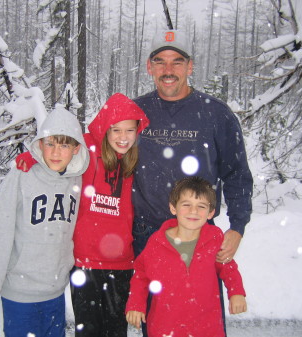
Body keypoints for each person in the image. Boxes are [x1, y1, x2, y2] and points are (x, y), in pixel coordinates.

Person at [131, 28, 253, 336]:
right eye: (160, 61)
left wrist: (237, 227)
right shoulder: (135, 112)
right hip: (148, 237)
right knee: (157, 326)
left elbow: (237, 174)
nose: (168, 70)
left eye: (177, 61)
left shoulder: (216, 114)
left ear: (190, 66)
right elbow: (99, 155)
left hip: (200, 237)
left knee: (203, 323)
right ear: (149, 67)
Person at [15, 93, 150, 336]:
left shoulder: (136, 157)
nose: (122, 137)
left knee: (116, 330)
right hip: (84, 261)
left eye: (129, 130)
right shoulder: (88, 148)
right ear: (105, 128)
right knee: (87, 330)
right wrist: (34, 158)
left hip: (122, 262)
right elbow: (60, 149)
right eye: (116, 129)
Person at [0, 106, 90, 337]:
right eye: (50, 143)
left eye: (65, 145)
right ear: (40, 144)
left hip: (55, 294)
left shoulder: (77, 180)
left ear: (76, 148)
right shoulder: (21, 175)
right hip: (18, 294)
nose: (56, 152)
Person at [126, 176, 247, 337]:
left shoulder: (214, 240)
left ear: (211, 212)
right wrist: (136, 304)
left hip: (207, 327)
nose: (193, 211)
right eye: (186, 205)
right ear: (173, 208)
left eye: (201, 206)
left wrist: (236, 292)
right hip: (165, 327)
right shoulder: (157, 242)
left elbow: (228, 268)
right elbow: (141, 275)